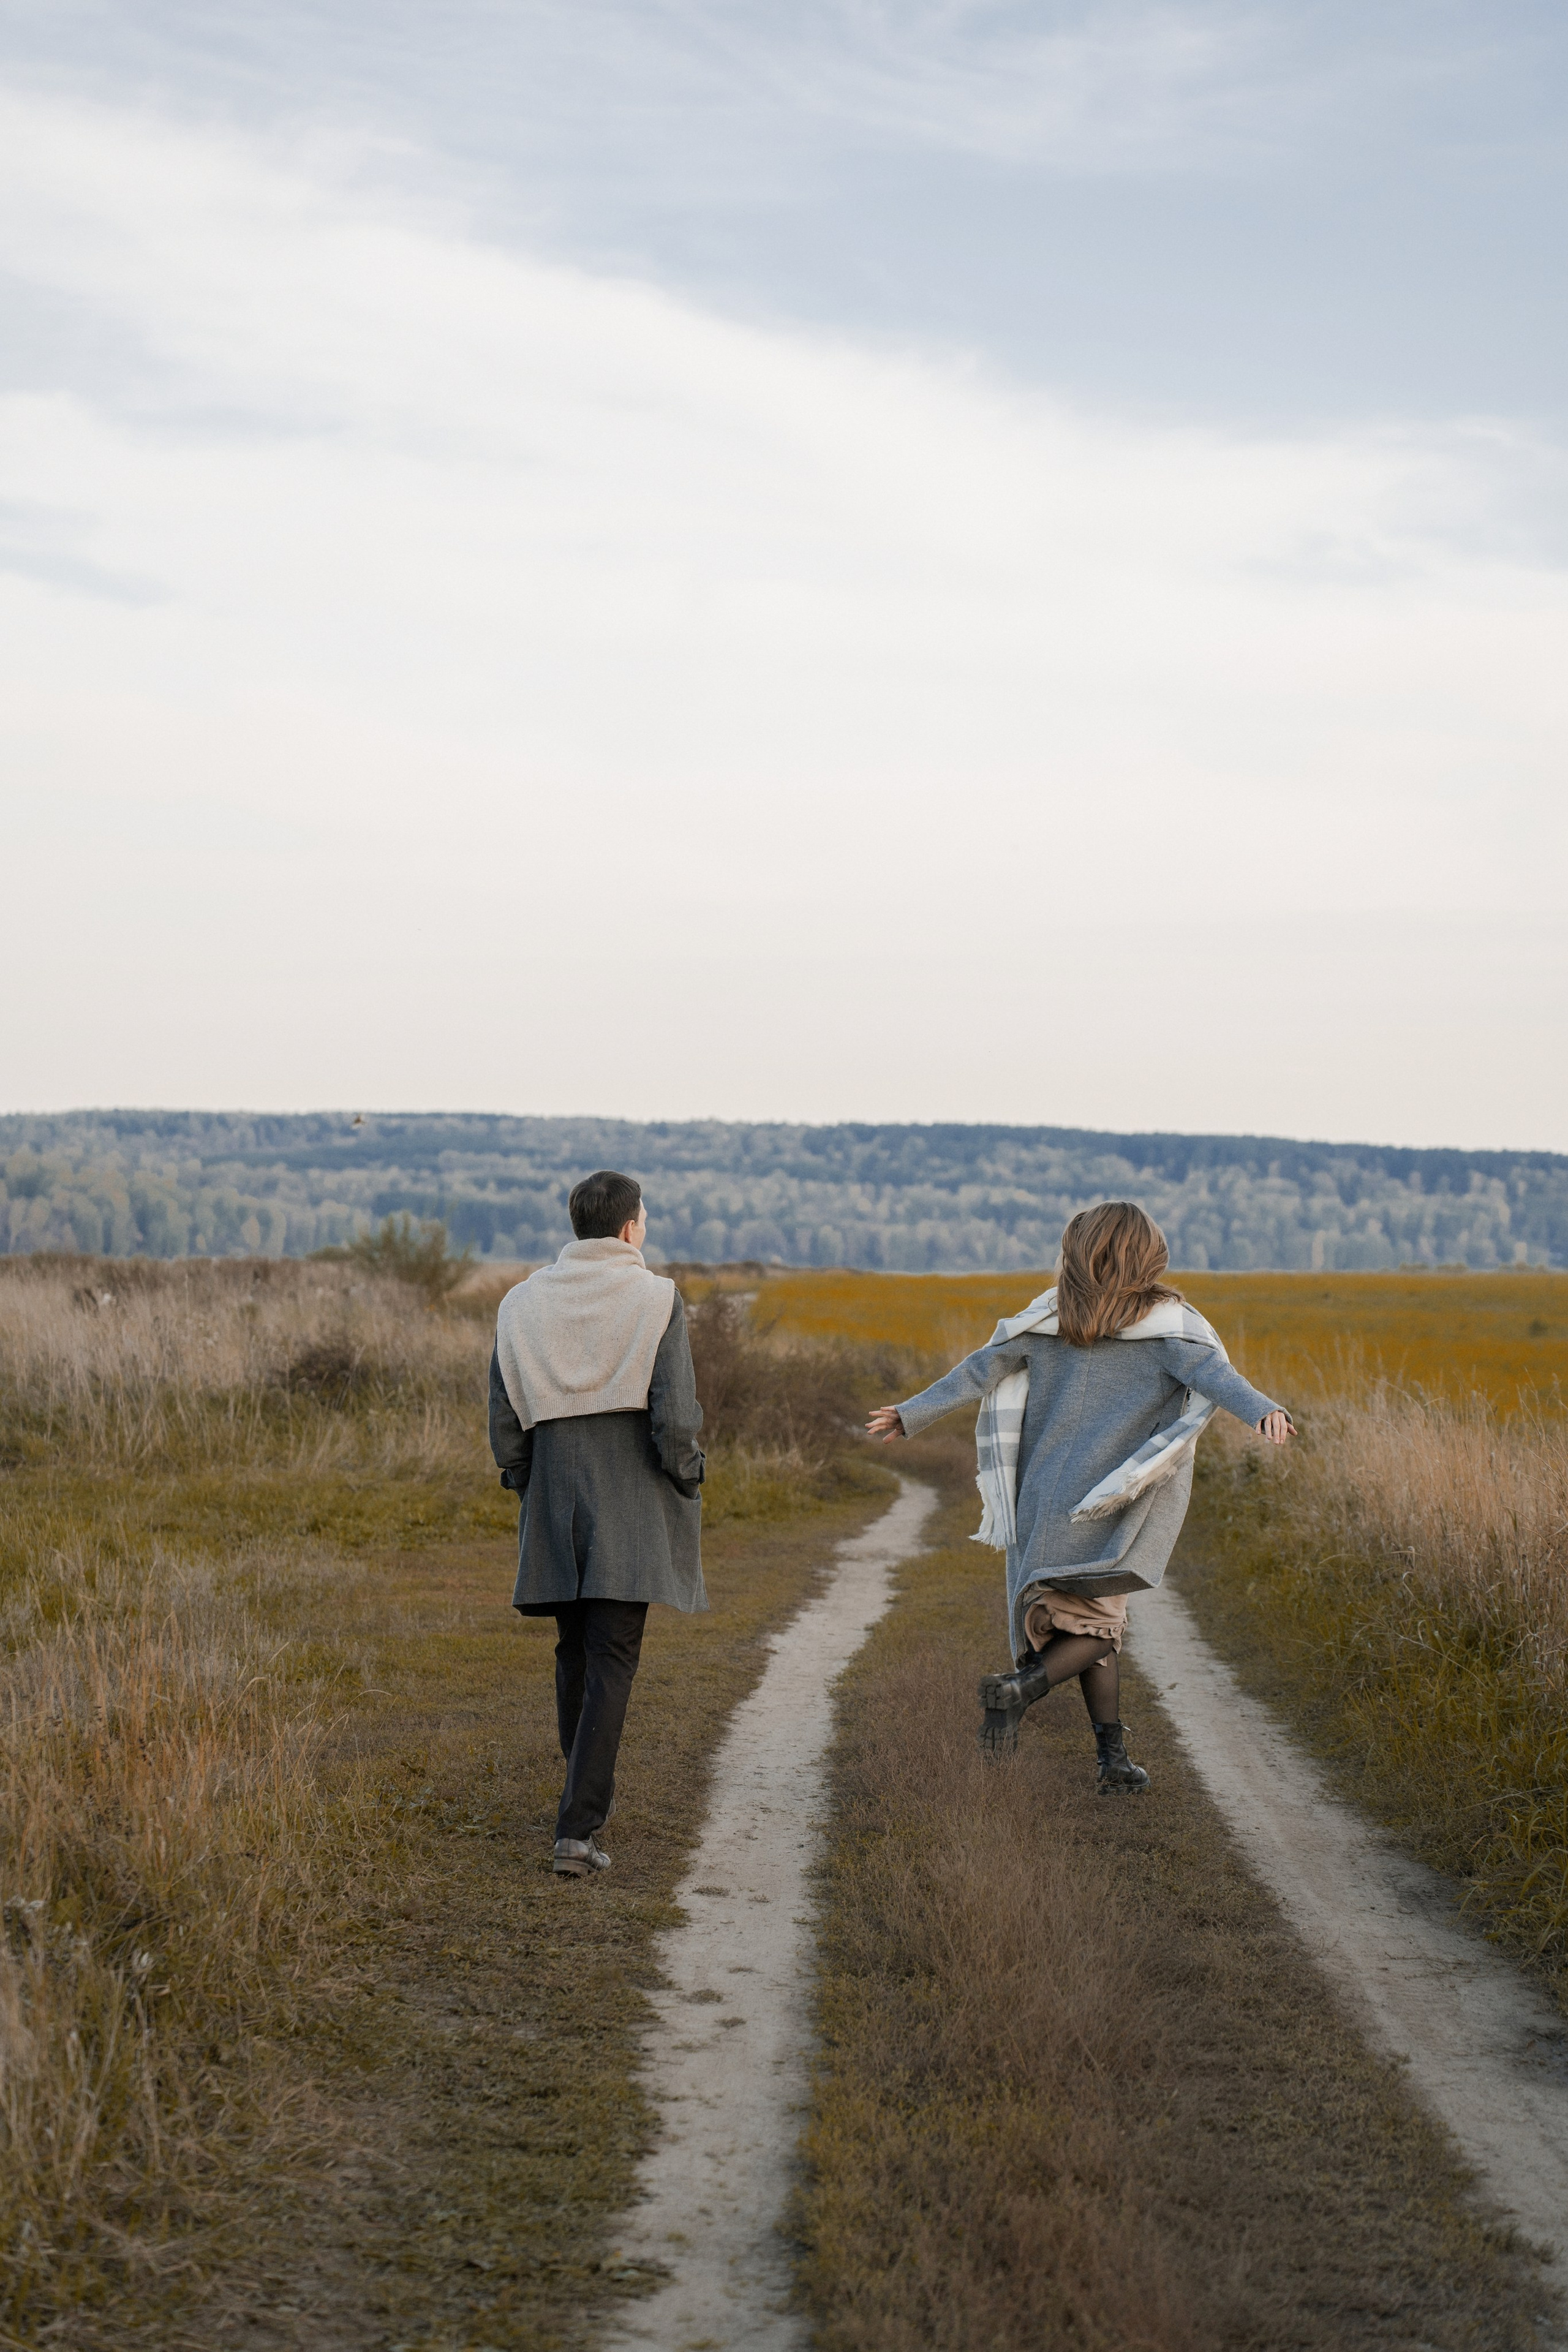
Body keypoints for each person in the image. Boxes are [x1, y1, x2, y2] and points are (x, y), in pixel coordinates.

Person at [867, 1200, 1292, 1792]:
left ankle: (1113, 1762)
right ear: (1149, 1257)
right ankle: (1019, 1690)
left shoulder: (1049, 1323)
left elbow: (978, 1370)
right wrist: (1264, 1410)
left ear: (1077, 1256)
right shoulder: (1169, 1332)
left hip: (1043, 1496)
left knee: (1087, 1623)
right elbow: (1218, 1378)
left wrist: (911, 1413)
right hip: (1107, 1502)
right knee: (1098, 1627)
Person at [488, 1170, 705, 1877]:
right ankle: (577, 1831)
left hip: (553, 1488)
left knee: (574, 1649)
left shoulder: (520, 1302)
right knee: (611, 1655)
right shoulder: (656, 1297)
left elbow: (504, 1413)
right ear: (629, 1228)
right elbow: (675, 1415)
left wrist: (524, 1478)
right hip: (628, 1491)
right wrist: (687, 1472)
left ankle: (582, 1791)